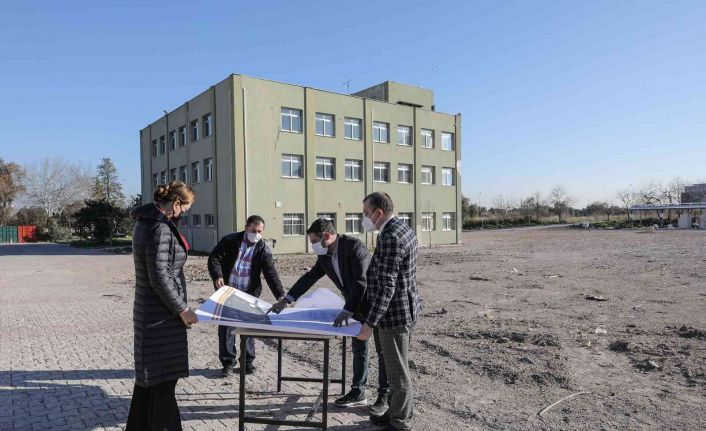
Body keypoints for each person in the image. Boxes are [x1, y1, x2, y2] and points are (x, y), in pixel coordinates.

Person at [268, 218, 390, 409]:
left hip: (374, 303)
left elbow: (361, 282)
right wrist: (286, 300)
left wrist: (347, 310)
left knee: (383, 352)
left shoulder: (354, 247)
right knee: (359, 348)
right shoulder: (324, 256)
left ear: (326, 236)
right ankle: (358, 392)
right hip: (355, 306)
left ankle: (384, 397)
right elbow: (310, 277)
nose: (313, 246)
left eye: (314, 241)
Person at [126, 181, 198, 431]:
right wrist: (182, 309)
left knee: (150, 384)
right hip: (161, 318)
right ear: (176, 203)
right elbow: (160, 276)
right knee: (162, 384)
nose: (185, 212)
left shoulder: (149, 222)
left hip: (152, 313)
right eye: (186, 208)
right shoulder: (159, 227)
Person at [356, 192, 421, 431]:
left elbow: (386, 286)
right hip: (403, 309)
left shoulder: (391, 236)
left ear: (378, 213)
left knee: (397, 371)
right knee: (396, 367)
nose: (364, 218)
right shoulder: (402, 228)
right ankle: (395, 411)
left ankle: (400, 422)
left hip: (394, 315)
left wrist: (370, 323)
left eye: (366, 213)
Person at [207, 215, 285, 377]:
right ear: (246, 227)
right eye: (253, 230)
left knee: (248, 328)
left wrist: (280, 295)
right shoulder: (230, 240)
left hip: (249, 293)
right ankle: (228, 363)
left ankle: (247, 362)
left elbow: (270, 272)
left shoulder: (262, 248)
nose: (256, 234)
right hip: (227, 291)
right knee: (226, 328)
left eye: (260, 231)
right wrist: (217, 276)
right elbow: (214, 258)